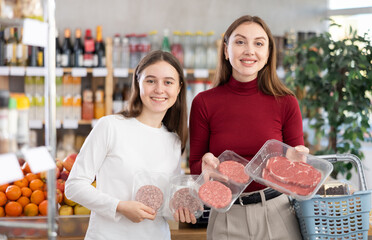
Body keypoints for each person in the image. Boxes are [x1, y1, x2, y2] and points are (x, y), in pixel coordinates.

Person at [189, 15, 308, 240]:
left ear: (268, 53)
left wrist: (294, 160)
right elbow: (195, 166)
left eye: (259, 43)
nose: (249, 50)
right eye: (240, 42)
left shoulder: (286, 102)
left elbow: (298, 174)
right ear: (226, 50)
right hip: (225, 215)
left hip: (277, 213)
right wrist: (205, 167)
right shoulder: (204, 102)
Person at [65, 50, 193, 240]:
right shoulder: (111, 126)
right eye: (151, 81)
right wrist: (119, 206)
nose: (159, 89)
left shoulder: (173, 140)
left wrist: (179, 208)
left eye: (168, 82)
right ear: (137, 83)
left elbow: (163, 206)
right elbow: (74, 186)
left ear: (179, 88)